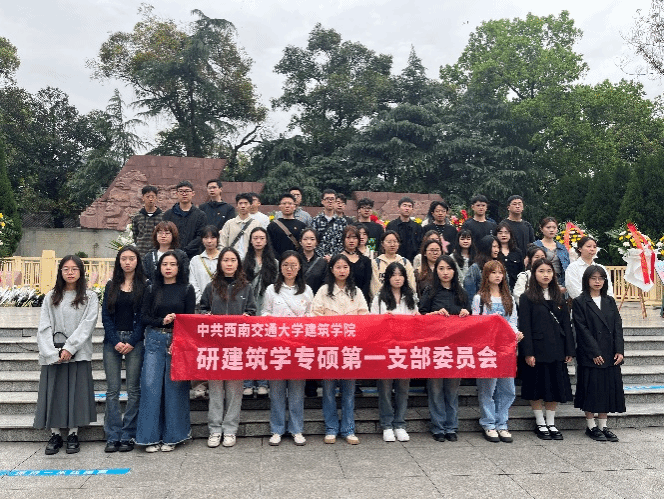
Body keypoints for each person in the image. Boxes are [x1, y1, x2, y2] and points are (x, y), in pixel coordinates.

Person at [34, 255, 98, 455]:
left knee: (76, 393)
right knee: (54, 392)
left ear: (81, 272)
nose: (70, 273)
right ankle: (55, 434)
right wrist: (51, 352)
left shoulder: (90, 297)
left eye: (74, 269)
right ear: (60, 272)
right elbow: (44, 326)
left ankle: (73, 434)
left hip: (77, 352)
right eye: (66, 269)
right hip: (54, 352)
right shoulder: (51, 296)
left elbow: (88, 325)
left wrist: (70, 348)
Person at [136, 251, 196, 452]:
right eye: (164, 264)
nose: (168, 268)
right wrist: (162, 321)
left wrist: (179, 336)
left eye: (172, 264)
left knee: (174, 389)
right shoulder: (151, 288)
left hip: (176, 342)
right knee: (150, 387)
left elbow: (190, 320)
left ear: (179, 267)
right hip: (154, 339)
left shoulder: (187, 289)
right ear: (159, 267)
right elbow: (144, 317)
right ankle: (149, 438)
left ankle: (174, 437)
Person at [200, 247, 257, 448]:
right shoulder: (211, 287)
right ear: (220, 263)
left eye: (233, 260)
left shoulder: (246, 288)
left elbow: (252, 311)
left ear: (238, 264)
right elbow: (202, 309)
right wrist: (205, 315)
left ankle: (230, 429)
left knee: (234, 390)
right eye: (225, 260)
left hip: (236, 347)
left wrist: (247, 317)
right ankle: (215, 429)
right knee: (215, 389)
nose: (229, 263)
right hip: (215, 346)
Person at [312, 254, 369, 445]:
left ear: (349, 270)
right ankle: (331, 428)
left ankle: (348, 429)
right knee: (328, 390)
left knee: (349, 390)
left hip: (350, 349)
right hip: (329, 348)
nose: (342, 270)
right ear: (331, 270)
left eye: (345, 267)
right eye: (338, 267)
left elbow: (365, 317)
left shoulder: (356, 292)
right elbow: (314, 315)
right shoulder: (323, 291)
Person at [518, 258, 575, 441]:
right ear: (534, 273)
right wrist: (528, 352)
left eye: (549, 271)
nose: (546, 275)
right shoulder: (527, 297)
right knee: (536, 387)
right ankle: (540, 422)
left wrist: (569, 349)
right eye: (541, 271)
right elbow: (524, 326)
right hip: (537, 350)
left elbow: (566, 325)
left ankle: (551, 422)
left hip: (557, 348)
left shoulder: (559, 296)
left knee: (555, 386)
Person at [262, 251, 314, 446]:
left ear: (299, 267)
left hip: (299, 347)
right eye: (285, 265)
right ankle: (276, 429)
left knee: (297, 390)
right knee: (276, 390)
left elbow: (312, 315)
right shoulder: (271, 290)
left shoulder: (306, 290)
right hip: (277, 346)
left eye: (293, 265)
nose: (289, 269)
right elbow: (265, 312)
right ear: (280, 267)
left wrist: (301, 322)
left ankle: (296, 429)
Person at [418, 255, 470, 442]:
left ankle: (451, 426)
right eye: (441, 268)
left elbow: (471, 318)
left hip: (455, 348)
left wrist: (466, 313)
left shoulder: (461, 293)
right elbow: (421, 316)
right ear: (436, 271)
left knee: (452, 390)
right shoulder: (430, 291)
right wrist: (433, 315)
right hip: (435, 348)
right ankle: (438, 427)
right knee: (435, 389)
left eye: (448, 268)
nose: (445, 272)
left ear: (454, 271)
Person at [471, 260, 523, 443]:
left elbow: (513, 321)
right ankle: (488, 423)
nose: (497, 276)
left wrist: (516, 334)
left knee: (507, 388)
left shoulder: (509, 299)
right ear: (486, 275)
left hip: (506, 349)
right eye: (493, 272)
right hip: (488, 349)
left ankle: (502, 423)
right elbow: (476, 323)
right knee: (488, 388)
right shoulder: (479, 298)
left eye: (500, 272)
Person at [101, 246, 148, 453]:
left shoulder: (145, 286)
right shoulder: (111, 285)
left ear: (137, 261)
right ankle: (112, 435)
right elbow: (105, 316)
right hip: (112, 342)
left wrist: (133, 340)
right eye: (124, 259)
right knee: (112, 391)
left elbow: (144, 316)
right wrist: (115, 341)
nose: (127, 262)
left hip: (134, 341)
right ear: (119, 262)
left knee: (133, 390)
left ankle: (128, 434)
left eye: (131, 258)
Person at [573, 265, 625, 442]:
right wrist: (594, 352)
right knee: (591, 389)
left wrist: (619, 350)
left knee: (607, 389)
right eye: (593, 278)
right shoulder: (580, 301)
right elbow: (581, 329)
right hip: (590, 353)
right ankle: (591, 426)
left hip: (609, 353)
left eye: (601, 278)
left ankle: (603, 426)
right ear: (586, 280)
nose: (597, 281)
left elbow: (617, 326)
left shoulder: (609, 301)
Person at [370, 262, 418, 443]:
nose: (397, 278)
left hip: (405, 349)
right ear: (388, 278)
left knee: (403, 388)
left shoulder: (411, 296)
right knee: (385, 388)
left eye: (400, 275)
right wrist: (384, 320)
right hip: (386, 349)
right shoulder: (379, 298)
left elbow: (417, 320)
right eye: (393, 275)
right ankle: (387, 425)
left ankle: (400, 424)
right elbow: (372, 322)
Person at [242, 227, 278, 397]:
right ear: (250, 240)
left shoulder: (274, 262)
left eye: (261, 238)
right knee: (248, 347)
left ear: (266, 240)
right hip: (248, 308)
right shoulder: (244, 261)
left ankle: (263, 383)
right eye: (255, 238)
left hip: (266, 308)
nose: (258, 241)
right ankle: (247, 382)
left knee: (264, 347)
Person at [162, 180, 207, 259]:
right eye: (181, 191)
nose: (184, 194)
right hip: (172, 255)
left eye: (187, 191)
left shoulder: (200, 215)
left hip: (194, 256)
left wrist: (185, 251)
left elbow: (200, 236)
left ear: (193, 193)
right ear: (176, 194)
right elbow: (164, 234)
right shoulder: (168, 214)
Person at [370, 231, 417, 297]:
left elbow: (411, 283)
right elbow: (375, 286)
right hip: (383, 299)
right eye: (389, 242)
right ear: (382, 244)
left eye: (395, 241)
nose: (392, 245)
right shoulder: (376, 263)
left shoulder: (405, 262)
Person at [219, 193, 262, 260]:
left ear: (250, 205)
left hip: (250, 260)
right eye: (240, 203)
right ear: (237, 206)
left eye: (245, 203)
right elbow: (222, 243)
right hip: (232, 260)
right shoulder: (229, 224)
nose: (243, 206)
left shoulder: (256, 224)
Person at [534, 217, 570, 291]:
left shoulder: (562, 248)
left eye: (554, 227)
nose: (551, 230)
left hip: (559, 282)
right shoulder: (535, 246)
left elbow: (567, 268)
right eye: (548, 227)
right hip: (540, 282)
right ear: (541, 229)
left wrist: (564, 286)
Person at [189, 225, 220, 306]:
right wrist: (202, 301)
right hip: (201, 305)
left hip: (221, 304)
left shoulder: (224, 259)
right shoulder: (195, 260)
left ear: (218, 239)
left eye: (212, 238)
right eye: (206, 238)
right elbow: (193, 283)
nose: (209, 241)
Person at [311, 189, 348, 258]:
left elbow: (344, 242)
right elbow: (313, 241)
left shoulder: (342, 222)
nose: (330, 201)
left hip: (337, 259)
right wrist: (322, 257)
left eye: (332, 199)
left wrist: (333, 257)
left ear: (335, 201)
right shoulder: (315, 221)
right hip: (319, 258)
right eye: (327, 199)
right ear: (322, 201)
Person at [268, 193, 307, 257]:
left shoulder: (302, 225)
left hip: (296, 260)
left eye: (290, 203)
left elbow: (303, 246)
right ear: (280, 206)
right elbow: (269, 245)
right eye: (284, 203)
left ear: (294, 207)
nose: (287, 206)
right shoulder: (272, 226)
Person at [385, 196, 423, 263]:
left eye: (409, 206)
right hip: (395, 260)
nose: (407, 208)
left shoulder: (417, 227)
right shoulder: (391, 225)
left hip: (413, 261)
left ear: (412, 209)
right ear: (398, 208)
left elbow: (420, 244)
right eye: (404, 206)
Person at [341, 225, 372, 303]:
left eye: (354, 238)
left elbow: (367, 283)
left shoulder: (365, 261)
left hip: (361, 300)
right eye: (348, 237)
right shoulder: (338, 259)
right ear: (343, 239)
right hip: (341, 299)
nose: (351, 241)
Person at [131, 185, 164, 257]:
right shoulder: (137, 217)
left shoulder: (163, 216)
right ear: (143, 198)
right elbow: (135, 235)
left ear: (156, 198)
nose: (150, 199)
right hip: (141, 252)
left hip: (158, 252)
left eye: (153, 197)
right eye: (148, 197)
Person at [496, 221, 524, 291]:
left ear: (510, 234)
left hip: (515, 287)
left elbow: (521, 270)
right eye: (500, 233)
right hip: (497, 287)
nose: (503, 235)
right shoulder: (494, 251)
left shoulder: (517, 252)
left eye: (506, 233)